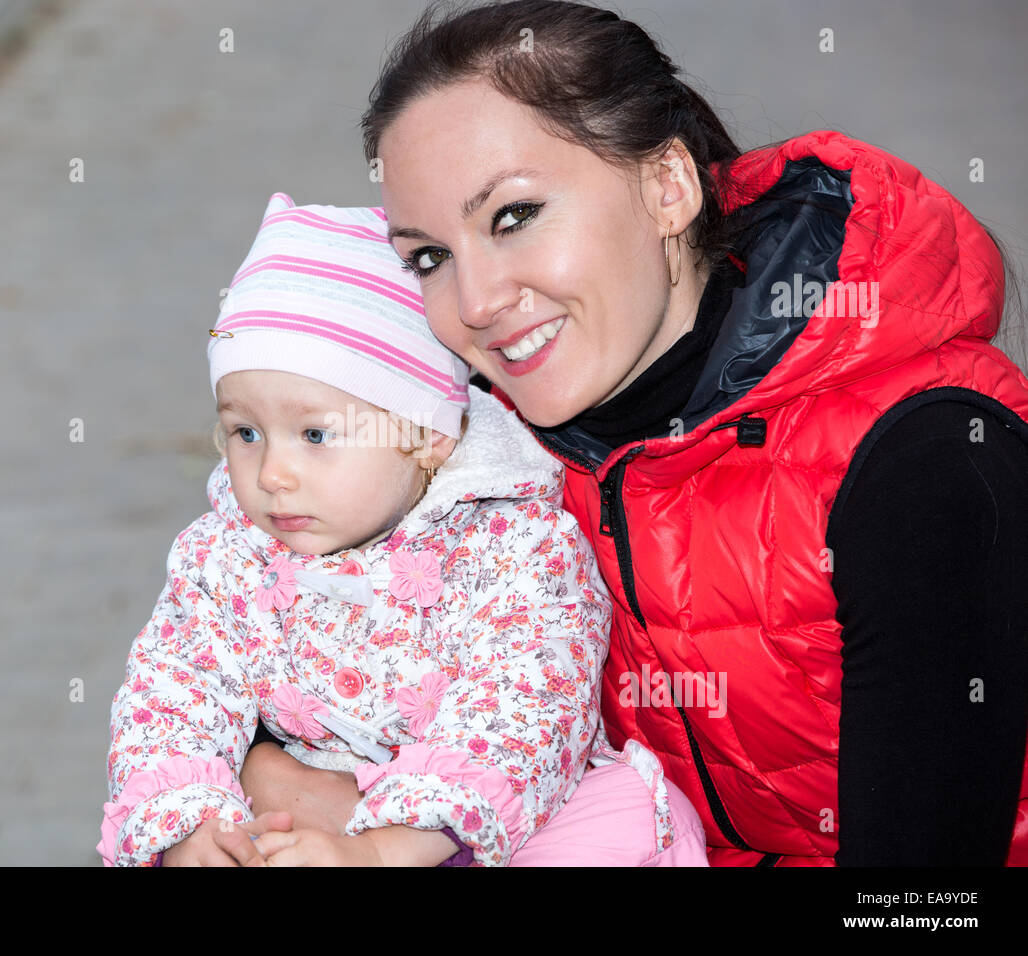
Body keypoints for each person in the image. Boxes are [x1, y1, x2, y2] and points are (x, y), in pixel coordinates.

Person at [240, 0, 1028, 866]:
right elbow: (262, 684)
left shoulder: (926, 466)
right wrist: (271, 781)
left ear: (667, 188)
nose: (474, 304)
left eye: (513, 217)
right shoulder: (471, 463)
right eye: (429, 257)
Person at [97, 192, 708, 866]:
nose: (272, 472)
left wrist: (386, 851)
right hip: (303, 819)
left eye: (314, 434)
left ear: (422, 436)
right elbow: (172, 695)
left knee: (636, 816)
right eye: (244, 431)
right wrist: (191, 828)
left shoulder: (515, 545)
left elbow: (523, 709)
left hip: (470, 823)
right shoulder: (225, 556)